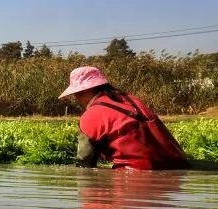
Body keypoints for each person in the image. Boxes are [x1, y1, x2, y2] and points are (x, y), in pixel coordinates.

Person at [59, 65, 189, 170]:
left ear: (83, 91)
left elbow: (85, 163)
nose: (76, 99)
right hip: (180, 166)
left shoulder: (91, 116)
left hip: (136, 176)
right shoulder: (132, 100)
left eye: (76, 94)